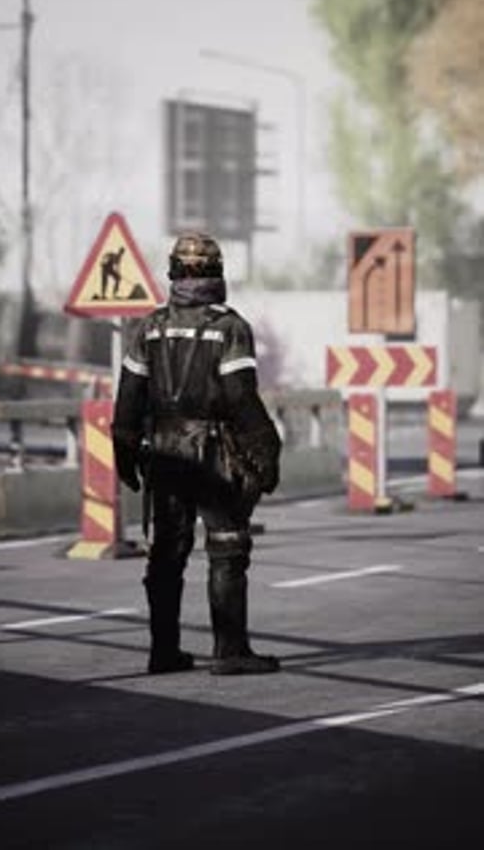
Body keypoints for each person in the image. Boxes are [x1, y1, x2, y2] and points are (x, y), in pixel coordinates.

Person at [111, 231, 281, 676]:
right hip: (214, 455)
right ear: (217, 273)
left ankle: (163, 653)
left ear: (173, 273)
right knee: (226, 547)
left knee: (167, 553)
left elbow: (128, 399)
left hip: (164, 454)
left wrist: (124, 450)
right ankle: (230, 652)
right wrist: (267, 449)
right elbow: (242, 399)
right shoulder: (229, 327)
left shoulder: (148, 327)